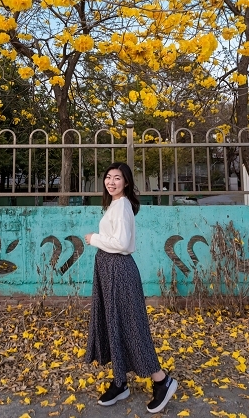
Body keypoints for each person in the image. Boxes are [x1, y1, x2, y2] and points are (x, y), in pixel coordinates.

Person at [83, 162, 178, 413]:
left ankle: (162, 381)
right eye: (108, 177)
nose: (111, 182)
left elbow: (122, 243)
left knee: (130, 326)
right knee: (112, 323)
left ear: (126, 182)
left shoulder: (123, 205)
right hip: (108, 270)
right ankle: (120, 381)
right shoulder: (115, 205)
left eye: (117, 178)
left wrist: (94, 239)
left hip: (119, 271)